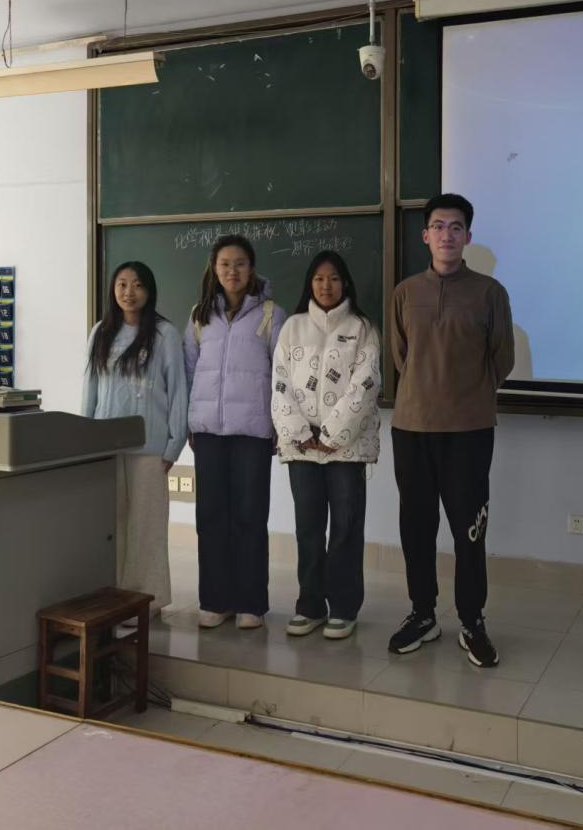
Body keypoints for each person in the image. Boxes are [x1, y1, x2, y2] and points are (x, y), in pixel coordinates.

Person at [388, 193, 515, 668]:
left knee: (469, 531)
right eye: (438, 226)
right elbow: (401, 356)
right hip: (412, 428)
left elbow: (502, 358)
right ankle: (423, 613)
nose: (447, 234)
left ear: (468, 236)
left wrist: (465, 395)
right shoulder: (405, 293)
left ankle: (472, 620)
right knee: (417, 528)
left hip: (469, 431)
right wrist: (427, 393)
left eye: (456, 227)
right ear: (426, 235)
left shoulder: (489, 292)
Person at [272, 251, 380, 640]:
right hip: (301, 446)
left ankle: (344, 608)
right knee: (309, 529)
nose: (326, 285)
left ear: (345, 282)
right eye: (318, 279)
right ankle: (311, 606)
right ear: (309, 284)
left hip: (346, 449)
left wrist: (332, 435)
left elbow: (366, 384)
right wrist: (301, 433)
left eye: (333, 278)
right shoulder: (293, 327)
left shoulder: (362, 328)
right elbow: (280, 383)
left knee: (346, 528)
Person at [185, 234, 286, 631]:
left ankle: (251, 604)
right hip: (209, 431)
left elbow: (282, 375)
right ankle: (215, 600)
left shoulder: (271, 314)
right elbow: (190, 370)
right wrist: (191, 422)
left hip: (253, 431)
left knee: (250, 517)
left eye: (240, 263)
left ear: (252, 267)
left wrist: (277, 424)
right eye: (225, 263)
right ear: (214, 268)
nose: (232, 271)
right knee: (211, 518)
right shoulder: (199, 316)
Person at [82, 260, 188, 624]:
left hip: (149, 448)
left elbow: (178, 392)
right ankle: (115, 598)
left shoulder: (164, 334)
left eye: (138, 285)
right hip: (106, 448)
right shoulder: (101, 332)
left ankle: (146, 600)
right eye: (122, 284)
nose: (129, 292)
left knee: (146, 528)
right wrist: (85, 441)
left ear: (149, 291)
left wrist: (173, 446)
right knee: (111, 528)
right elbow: (90, 390)